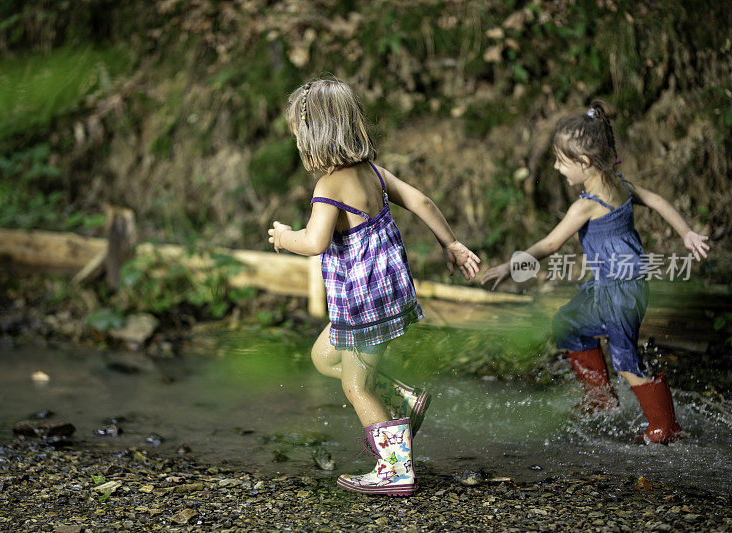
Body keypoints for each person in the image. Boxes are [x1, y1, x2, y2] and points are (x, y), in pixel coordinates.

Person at [267, 78, 480, 494]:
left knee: (354, 384)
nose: (297, 144)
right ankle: (403, 399)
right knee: (322, 355)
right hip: (388, 295)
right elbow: (420, 201)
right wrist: (450, 242)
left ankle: (394, 468)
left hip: (362, 304)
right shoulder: (371, 172)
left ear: (314, 136)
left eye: (297, 135)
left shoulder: (329, 186)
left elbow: (314, 241)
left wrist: (283, 237)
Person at [481, 102, 710, 444]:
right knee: (569, 325)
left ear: (584, 163)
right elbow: (659, 201)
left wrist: (510, 266)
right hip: (612, 285)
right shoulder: (619, 184)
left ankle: (664, 427)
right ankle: (600, 400)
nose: (557, 168)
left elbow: (550, 244)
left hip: (620, 291)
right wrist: (686, 233)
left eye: (561, 161)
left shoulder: (586, 205)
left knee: (625, 359)